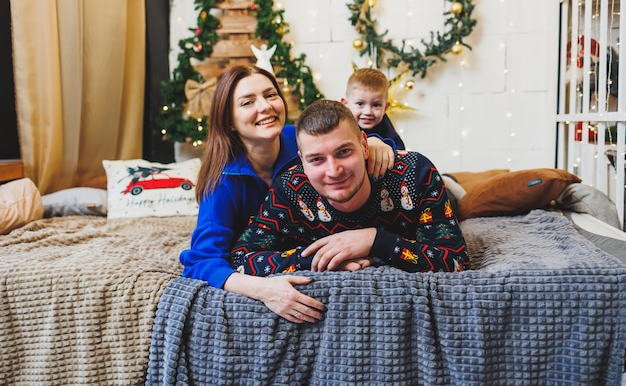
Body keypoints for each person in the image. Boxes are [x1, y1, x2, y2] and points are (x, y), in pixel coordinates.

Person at [179, 65, 396, 324]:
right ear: (229, 120)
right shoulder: (222, 183)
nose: (265, 106)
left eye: (271, 95)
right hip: (271, 250)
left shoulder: (301, 139)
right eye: (248, 102)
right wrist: (263, 290)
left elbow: (348, 140)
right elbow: (201, 261)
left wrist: (376, 142)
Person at [231, 99, 469, 315]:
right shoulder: (290, 188)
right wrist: (323, 257)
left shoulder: (415, 173)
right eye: (317, 159)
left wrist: (375, 240)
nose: (334, 171)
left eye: (344, 152)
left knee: (464, 202)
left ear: (365, 146)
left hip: (434, 199)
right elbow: (241, 258)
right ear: (302, 161)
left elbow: (455, 261)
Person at [341, 67, 405, 150]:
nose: (368, 112)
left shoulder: (386, 127)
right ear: (345, 104)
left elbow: (400, 152)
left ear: (385, 107)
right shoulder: (341, 125)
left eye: (376, 105)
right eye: (360, 104)